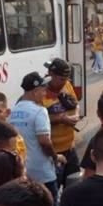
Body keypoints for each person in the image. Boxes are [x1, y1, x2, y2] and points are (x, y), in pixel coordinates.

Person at [12, 72, 61, 198]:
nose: (45, 93)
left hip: (21, 173)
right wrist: (55, 158)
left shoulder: (12, 111)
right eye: (43, 89)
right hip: (42, 173)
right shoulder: (40, 111)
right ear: (35, 91)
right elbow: (44, 141)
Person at [41, 58, 81, 190]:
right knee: (54, 190)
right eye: (61, 79)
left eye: (66, 79)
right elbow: (38, 119)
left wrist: (75, 115)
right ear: (50, 74)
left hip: (70, 148)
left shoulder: (66, 85)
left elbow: (76, 104)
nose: (64, 82)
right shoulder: (40, 92)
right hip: (52, 152)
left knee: (74, 186)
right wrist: (61, 119)